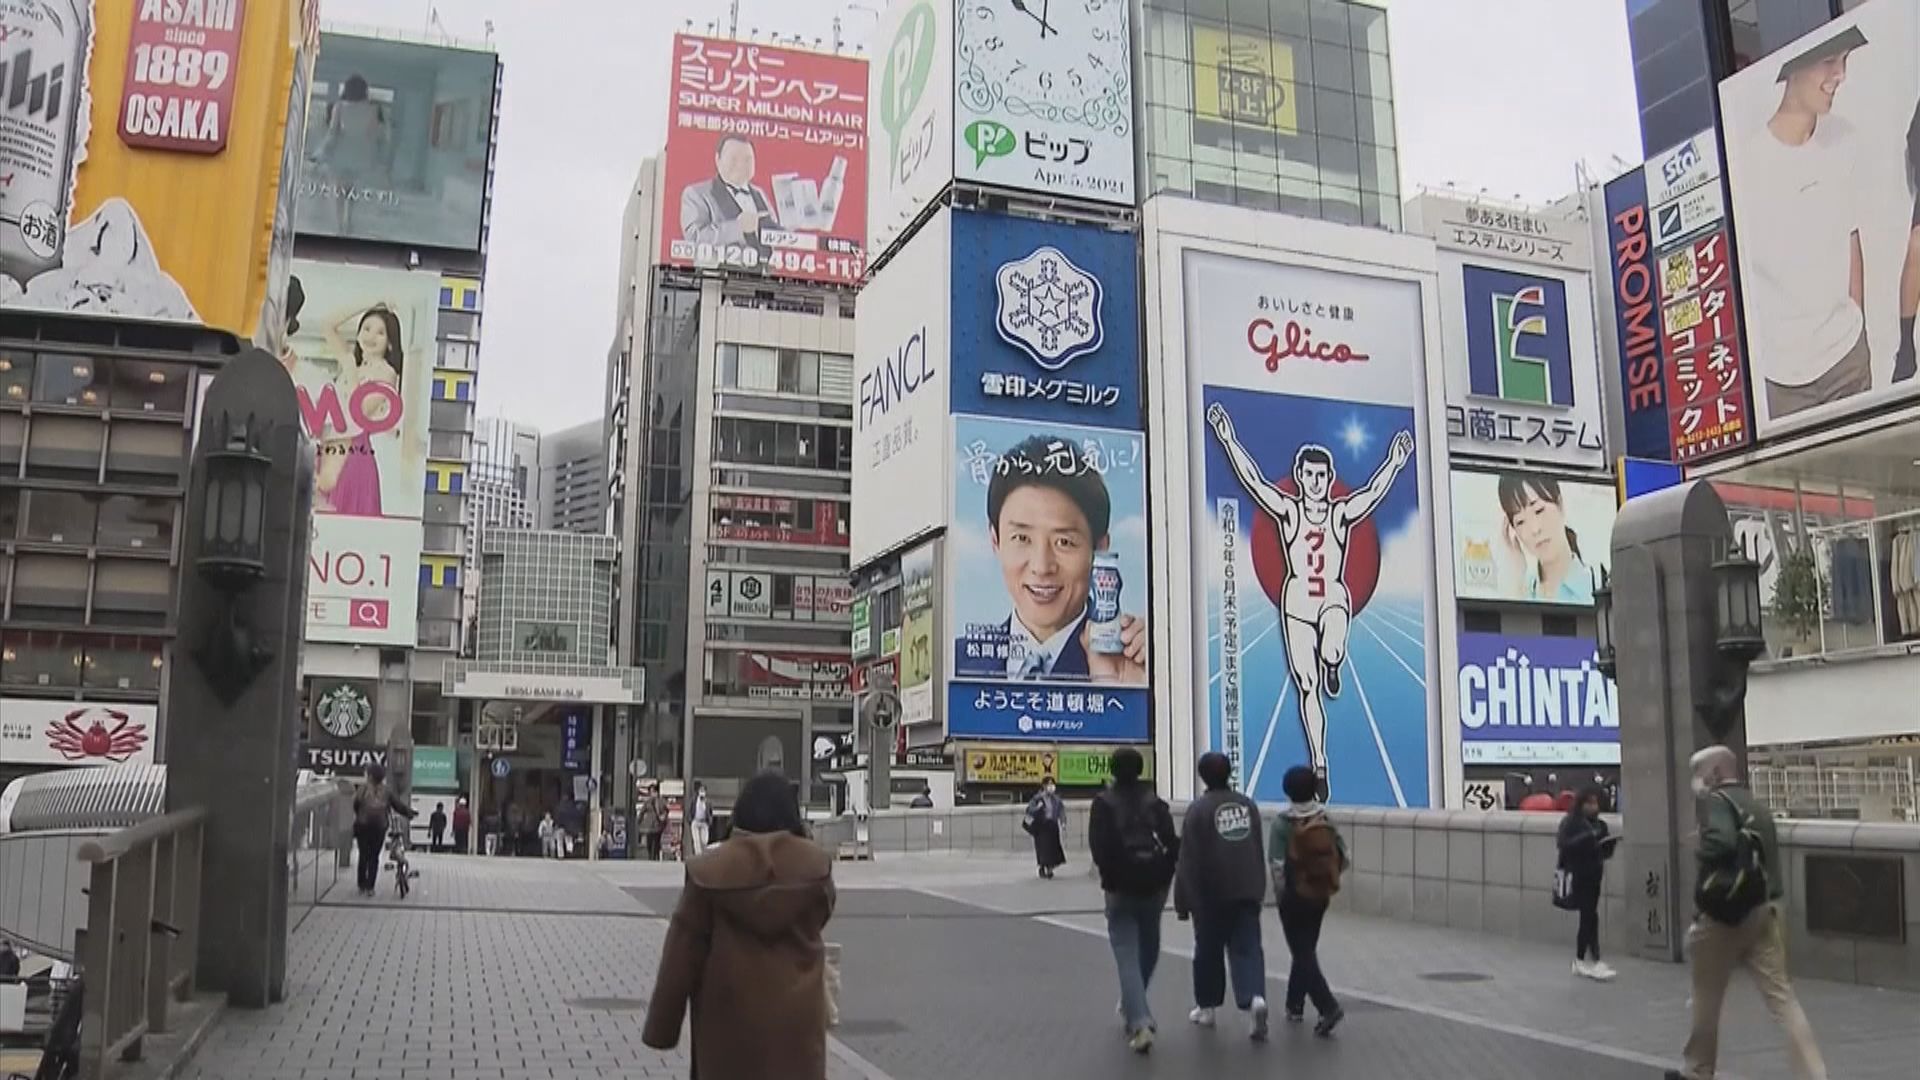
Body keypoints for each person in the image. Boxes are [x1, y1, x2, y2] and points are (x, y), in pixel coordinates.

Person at [1210, 403, 1415, 799]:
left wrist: (1395, 461)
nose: (1316, 482)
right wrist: (1228, 438)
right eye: (1310, 475)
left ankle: (1333, 662)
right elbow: (1254, 482)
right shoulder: (1289, 511)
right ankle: (1320, 763)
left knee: (1333, 649)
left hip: (1332, 596)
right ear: (1300, 476)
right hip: (1298, 602)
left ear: (1329, 478)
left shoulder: (1339, 514)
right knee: (1307, 685)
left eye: (1322, 476)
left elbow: (1372, 494)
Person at [643, 771, 836, 1078]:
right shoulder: (815, 869)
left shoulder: (708, 874)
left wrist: (662, 1028)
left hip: (727, 1028)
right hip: (797, 1029)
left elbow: (681, 955)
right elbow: (824, 912)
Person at [1734, 26, 1871, 420]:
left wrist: (1856, 318)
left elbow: (1851, 237)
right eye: (1829, 62)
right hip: (1781, 378)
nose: (1840, 75)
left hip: (1847, 358)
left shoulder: (1844, 138)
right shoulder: (1746, 163)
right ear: (1793, 69)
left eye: (1845, 60)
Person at [1665, 746, 1826, 1080]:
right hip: (1765, 910)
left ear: (1715, 773)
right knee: (1782, 999)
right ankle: (1814, 1074)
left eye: (1699, 773)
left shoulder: (1717, 802)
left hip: (1723, 915)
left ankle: (1697, 1069)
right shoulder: (1757, 806)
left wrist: (1701, 846)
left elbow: (1721, 844)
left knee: (1707, 998)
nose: (1697, 781)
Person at [955, 434, 1149, 685]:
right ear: (995, 541)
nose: (1041, 567)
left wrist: (1126, 687)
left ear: (1100, 548)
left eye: (1064, 542)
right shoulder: (957, 662)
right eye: (1022, 538)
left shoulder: (1127, 662)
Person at [1088, 747, 1179, 1054]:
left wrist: (1110, 876)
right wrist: (1165, 874)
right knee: (1150, 947)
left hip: (1120, 887)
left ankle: (1139, 1020)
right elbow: (1172, 843)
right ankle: (1133, 1005)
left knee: (1126, 953)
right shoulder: (1155, 802)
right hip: (1154, 885)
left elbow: (1099, 848)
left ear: (1112, 770)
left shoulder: (1103, 803)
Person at [1174, 752, 1270, 1040]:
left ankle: (1207, 1007)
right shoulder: (1247, 805)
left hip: (1210, 894)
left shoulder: (1198, 810)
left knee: (1208, 952)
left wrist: (1183, 899)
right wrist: (1258, 887)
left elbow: (1188, 858)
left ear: (1203, 776)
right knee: (1248, 948)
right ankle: (1254, 998)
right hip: (1247, 889)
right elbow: (1256, 848)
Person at [1268, 764, 1347, 1036]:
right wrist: (1328, 879)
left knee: (1302, 952)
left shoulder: (1282, 824)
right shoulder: (1325, 819)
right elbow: (1344, 856)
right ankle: (1294, 1004)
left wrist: (1281, 895)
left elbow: (1277, 865)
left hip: (1294, 896)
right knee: (1305, 949)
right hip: (1320, 894)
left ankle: (1328, 1006)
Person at [313, 305, 404, 516]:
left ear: (389, 343)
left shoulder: (387, 373)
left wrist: (351, 372)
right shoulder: (354, 363)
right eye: (366, 328)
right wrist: (370, 303)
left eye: (380, 333)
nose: (370, 336)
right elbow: (327, 325)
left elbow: (360, 413)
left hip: (355, 454)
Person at [678, 134, 777, 263]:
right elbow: (694, 239)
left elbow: (774, 235)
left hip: (763, 273)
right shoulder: (696, 193)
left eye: (748, 160)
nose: (741, 165)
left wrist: (790, 228)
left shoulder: (759, 193)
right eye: (733, 159)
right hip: (717, 274)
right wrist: (738, 227)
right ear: (718, 160)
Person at [1497, 474, 1592, 603]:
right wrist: (1517, 581)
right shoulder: (1522, 590)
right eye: (1520, 522)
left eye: (1539, 510)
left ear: (1560, 504)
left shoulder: (1596, 585)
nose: (1535, 529)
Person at [1556, 785, 1619, 981]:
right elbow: (1564, 845)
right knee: (1588, 916)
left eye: (1596, 803)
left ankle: (1591, 959)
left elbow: (1604, 852)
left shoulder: (1600, 825)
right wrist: (1587, 838)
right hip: (1577, 874)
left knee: (1591, 915)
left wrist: (1607, 845)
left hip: (1594, 874)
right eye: (1589, 803)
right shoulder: (1571, 822)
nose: (1593, 807)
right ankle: (1583, 959)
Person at [351, 765, 412, 897]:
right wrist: (409, 813)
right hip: (379, 827)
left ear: (370, 776)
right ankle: (370, 887)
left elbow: (355, 805)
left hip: (363, 826)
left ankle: (361, 884)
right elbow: (397, 806)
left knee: (363, 855)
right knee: (374, 857)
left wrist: (360, 815)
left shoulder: (362, 789)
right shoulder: (387, 791)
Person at [1024, 777, 1067, 879]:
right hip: (1042, 826)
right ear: (1044, 786)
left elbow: (1061, 811)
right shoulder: (1038, 798)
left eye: (1052, 784)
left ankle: (1050, 868)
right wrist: (1037, 808)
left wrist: (1063, 822)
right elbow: (1029, 809)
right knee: (1043, 848)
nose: (1051, 787)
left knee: (1053, 849)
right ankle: (1044, 867)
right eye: (1048, 784)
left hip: (1052, 825)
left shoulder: (1056, 799)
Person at [637, 782, 668, 861]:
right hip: (649, 826)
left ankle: (654, 856)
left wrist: (663, 817)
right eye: (651, 792)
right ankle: (651, 855)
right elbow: (642, 811)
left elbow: (666, 810)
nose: (652, 794)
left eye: (653, 792)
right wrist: (639, 820)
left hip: (658, 825)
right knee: (649, 842)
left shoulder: (661, 801)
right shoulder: (648, 802)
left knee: (656, 841)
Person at [690, 783, 712, 855]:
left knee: (704, 841)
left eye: (703, 791)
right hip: (696, 821)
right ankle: (698, 855)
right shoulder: (694, 800)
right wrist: (691, 820)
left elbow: (710, 812)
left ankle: (704, 853)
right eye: (700, 790)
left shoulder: (708, 802)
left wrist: (709, 821)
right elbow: (690, 810)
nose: (702, 792)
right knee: (696, 840)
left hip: (704, 822)